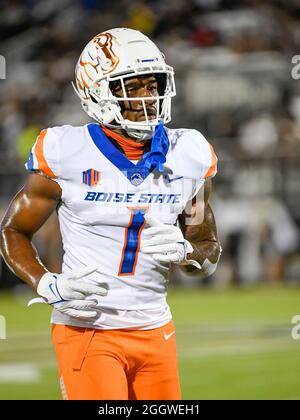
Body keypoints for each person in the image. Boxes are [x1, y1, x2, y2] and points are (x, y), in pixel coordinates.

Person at [0, 28, 221, 400]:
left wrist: (187, 253)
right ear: (96, 93)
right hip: (88, 329)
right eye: (131, 87)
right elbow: (12, 231)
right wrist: (46, 284)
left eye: (153, 84)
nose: (148, 97)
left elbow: (207, 251)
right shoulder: (66, 151)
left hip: (156, 328)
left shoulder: (189, 152)